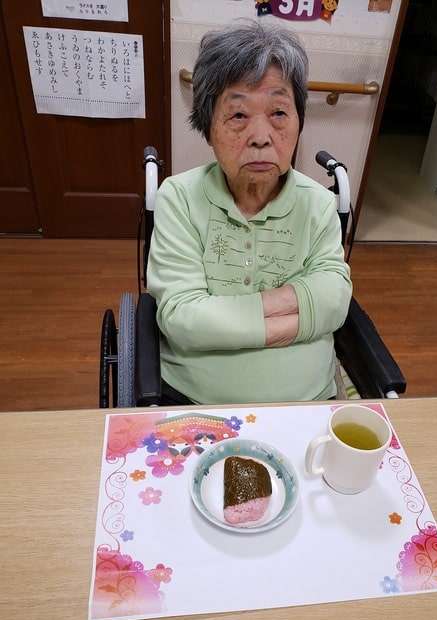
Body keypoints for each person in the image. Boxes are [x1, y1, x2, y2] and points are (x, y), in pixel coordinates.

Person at [147, 20, 352, 405]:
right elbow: (181, 319)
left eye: (279, 113)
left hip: (309, 404)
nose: (261, 137)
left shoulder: (318, 204)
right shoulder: (178, 198)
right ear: (208, 127)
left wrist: (223, 320)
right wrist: (302, 310)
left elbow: (336, 302)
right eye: (239, 115)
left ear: (299, 122)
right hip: (196, 404)